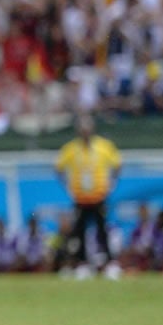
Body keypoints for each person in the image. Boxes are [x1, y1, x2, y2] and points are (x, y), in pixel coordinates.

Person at [54, 114, 122, 278]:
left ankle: (109, 264)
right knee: (80, 232)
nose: (85, 131)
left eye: (87, 128)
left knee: (102, 231)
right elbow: (59, 168)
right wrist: (68, 187)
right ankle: (82, 264)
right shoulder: (71, 149)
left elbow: (117, 165)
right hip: (80, 198)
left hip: (99, 196)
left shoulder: (104, 147)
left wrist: (110, 184)